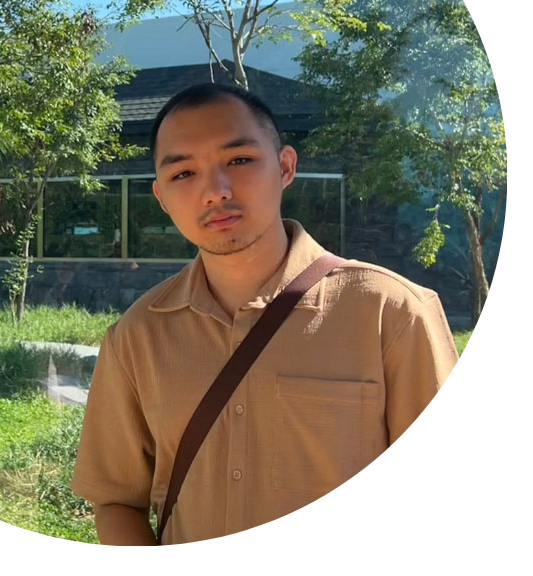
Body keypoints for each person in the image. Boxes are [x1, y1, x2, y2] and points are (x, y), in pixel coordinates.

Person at [70, 83, 458, 546]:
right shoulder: (136, 335)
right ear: (160, 196)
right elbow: (116, 501)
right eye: (183, 174)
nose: (214, 191)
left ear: (286, 166)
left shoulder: (390, 313)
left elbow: (446, 500)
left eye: (238, 161)